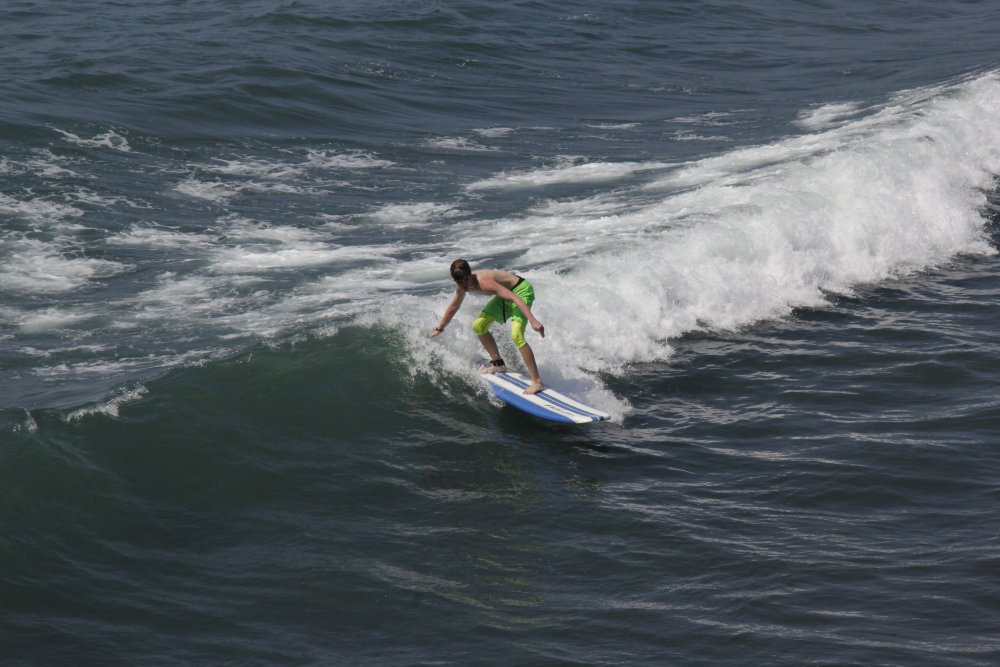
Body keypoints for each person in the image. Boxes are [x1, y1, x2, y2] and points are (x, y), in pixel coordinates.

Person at [428, 258, 546, 395]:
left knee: (516, 335)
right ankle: (498, 364)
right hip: (505, 294)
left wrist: (533, 320)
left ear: (469, 274)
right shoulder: (460, 286)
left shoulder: (484, 282)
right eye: (459, 282)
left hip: (521, 291)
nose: (464, 286)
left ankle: (537, 382)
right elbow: (454, 306)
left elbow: (515, 298)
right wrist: (439, 328)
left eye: (465, 280)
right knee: (478, 325)